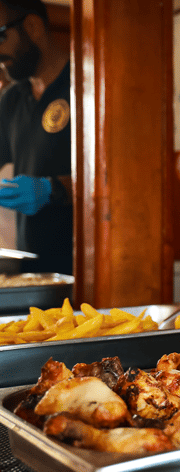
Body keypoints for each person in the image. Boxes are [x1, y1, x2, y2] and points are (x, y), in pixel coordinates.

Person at [0, 0, 72, 275]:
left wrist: (53, 189)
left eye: (0, 36)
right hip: (33, 272)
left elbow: (116, 180)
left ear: (32, 26)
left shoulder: (86, 86)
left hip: (84, 267)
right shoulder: (12, 100)